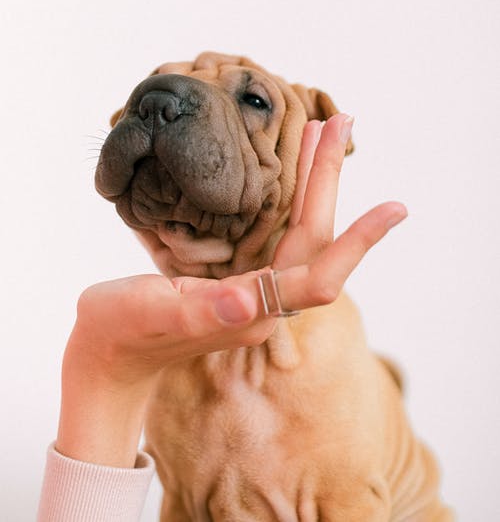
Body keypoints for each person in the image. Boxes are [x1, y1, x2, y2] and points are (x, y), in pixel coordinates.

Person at [37, 115, 407, 521]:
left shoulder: (337, 375)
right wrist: (106, 365)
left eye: (253, 102)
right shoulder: (166, 356)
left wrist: (105, 362)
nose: (168, 118)